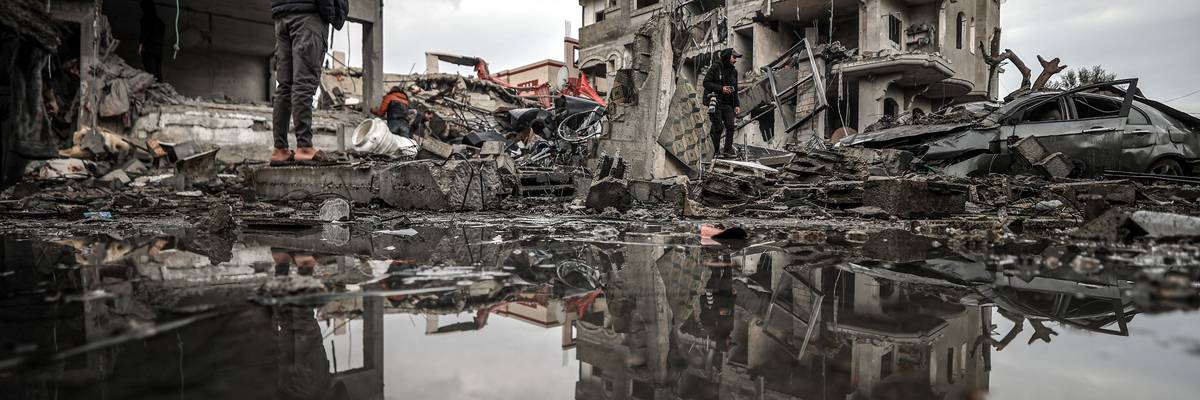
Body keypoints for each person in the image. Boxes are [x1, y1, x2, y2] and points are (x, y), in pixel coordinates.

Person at [270, 0, 348, 165]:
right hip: (308, 15)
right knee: (303, 85)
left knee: (284, 86)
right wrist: (330, 13)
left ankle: (280, 150)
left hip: (282, 15)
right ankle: (304, 147)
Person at [703, 48, 742, 159]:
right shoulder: (716, 67)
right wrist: (721, 88)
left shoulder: (734, 72)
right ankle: (714, 153)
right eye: (734, 57)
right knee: (718, 127)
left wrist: (737, 105)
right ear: (727, 57)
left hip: (728, 104)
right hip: (716, 102)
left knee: (730, 125)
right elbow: (706, 83)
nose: (735, 60)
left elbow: (735, 89)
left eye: (736, 58)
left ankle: (727, 152)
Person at [138, 0, 166, 81]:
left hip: (148, 49)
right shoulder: (160, 22)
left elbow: (145, 32)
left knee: (150, 72)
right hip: (158, 50)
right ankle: (159, 88)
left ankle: (153, 87)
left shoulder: (146, 18)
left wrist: (141, 45)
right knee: (158, 72)